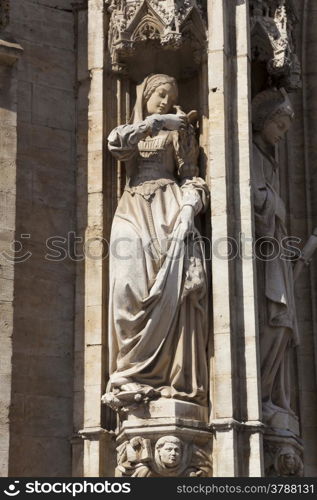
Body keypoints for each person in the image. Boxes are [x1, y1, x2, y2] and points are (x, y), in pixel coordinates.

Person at [106, 74, 209, 406]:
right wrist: (155, 122)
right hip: (132, 208)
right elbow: (116, 144)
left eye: (171, 96)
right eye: (160, 94)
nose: (166, 100)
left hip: (168, 209)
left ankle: (158, 375)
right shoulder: (139, 130)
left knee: (169, 290)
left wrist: (191, 205)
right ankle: (126, 372)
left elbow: (191, 176)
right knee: (126, 288)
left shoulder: (179, 134)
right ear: (147, 96)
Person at [251, 88, 299, 424]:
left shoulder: (268, 158)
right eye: (279, 126)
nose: (282, 135)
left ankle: (268, 396)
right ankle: (261, 397)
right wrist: (276, 206)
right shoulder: (250, 153)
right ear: (265, 120)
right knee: (274, 318)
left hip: (275, 249)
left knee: (281, 322)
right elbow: (253, 196)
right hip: (262, 250)